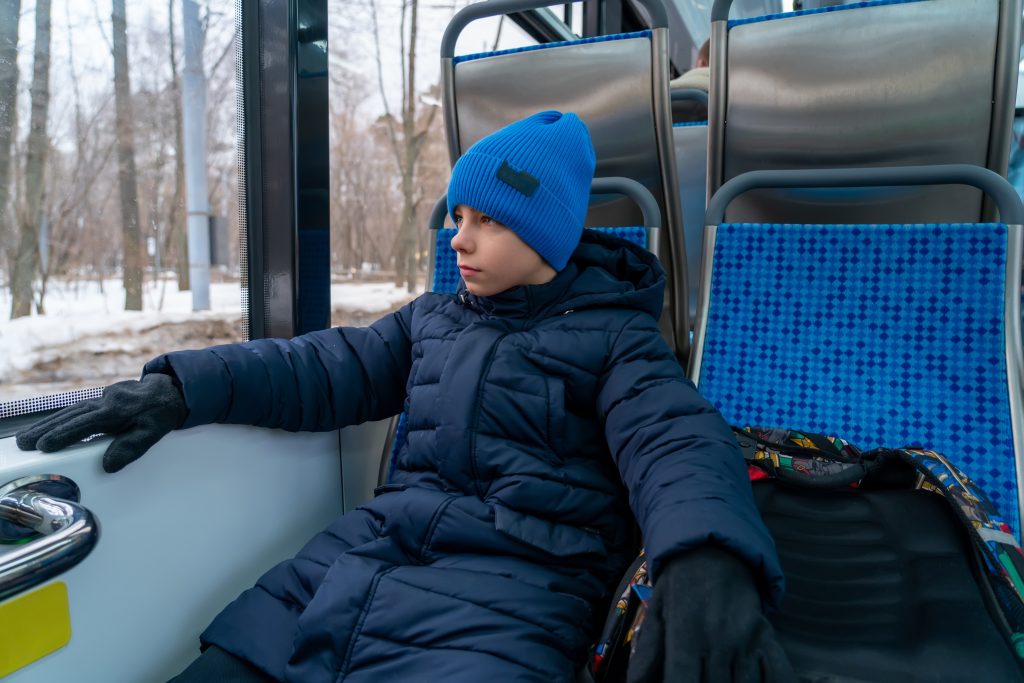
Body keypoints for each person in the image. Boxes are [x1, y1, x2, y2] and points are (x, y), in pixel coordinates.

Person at [17, 111, 793, 683]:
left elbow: (676, 441)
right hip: (357, 564)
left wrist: (704, 558)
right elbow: (317, 367)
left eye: (487, 220)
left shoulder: (615, 340)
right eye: (457, 216)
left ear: (547, 236)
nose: (458, 239)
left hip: (513, 594)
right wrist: (181, 388)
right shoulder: (432, 319)